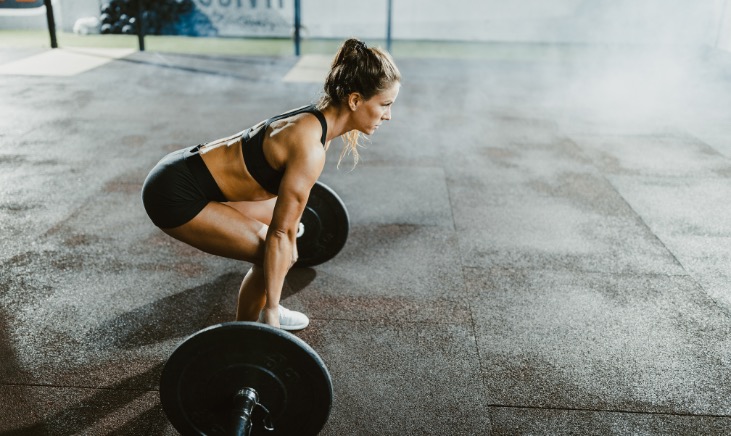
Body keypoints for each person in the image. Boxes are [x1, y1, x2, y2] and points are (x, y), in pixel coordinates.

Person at [141, 38, 401, 330]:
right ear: (354, 100)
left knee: (288, 245)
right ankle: (249, 336)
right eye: (385, 105)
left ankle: (265, 308)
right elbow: (279, 233)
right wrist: (274, 314)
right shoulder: (309, 147)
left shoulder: (317, 121)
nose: (388, 115)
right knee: (275, 251)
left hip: (186, 171)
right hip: (174, 194)